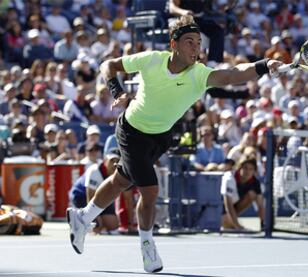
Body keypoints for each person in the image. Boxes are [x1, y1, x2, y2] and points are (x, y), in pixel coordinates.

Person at [66, 15, 282, 273]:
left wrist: (265, 64)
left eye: (199, 43)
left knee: (121, 181)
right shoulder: (152, 59)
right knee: (150, 191)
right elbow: (107, 66)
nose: (196, 48)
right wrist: (118, 92)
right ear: (174, 44)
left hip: (161, 136)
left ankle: (82, 217)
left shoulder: (199, 74)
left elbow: (233, 74)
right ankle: (147, 247)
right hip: (131, 131)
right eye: (190, 42)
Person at [221, 157, 265, 230]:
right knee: (227, 224)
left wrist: (263, 224)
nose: (247, 171)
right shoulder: (229, 178)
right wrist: (238, 226)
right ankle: (230, 223)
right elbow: (228, 205)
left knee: (252, 194)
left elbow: (260, 205)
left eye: (251, 169)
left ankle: (232, 223)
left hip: (233, 208)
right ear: (239, 168)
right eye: (245, 168)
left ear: (254, 171)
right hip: (218, 211)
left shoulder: (255, 182)